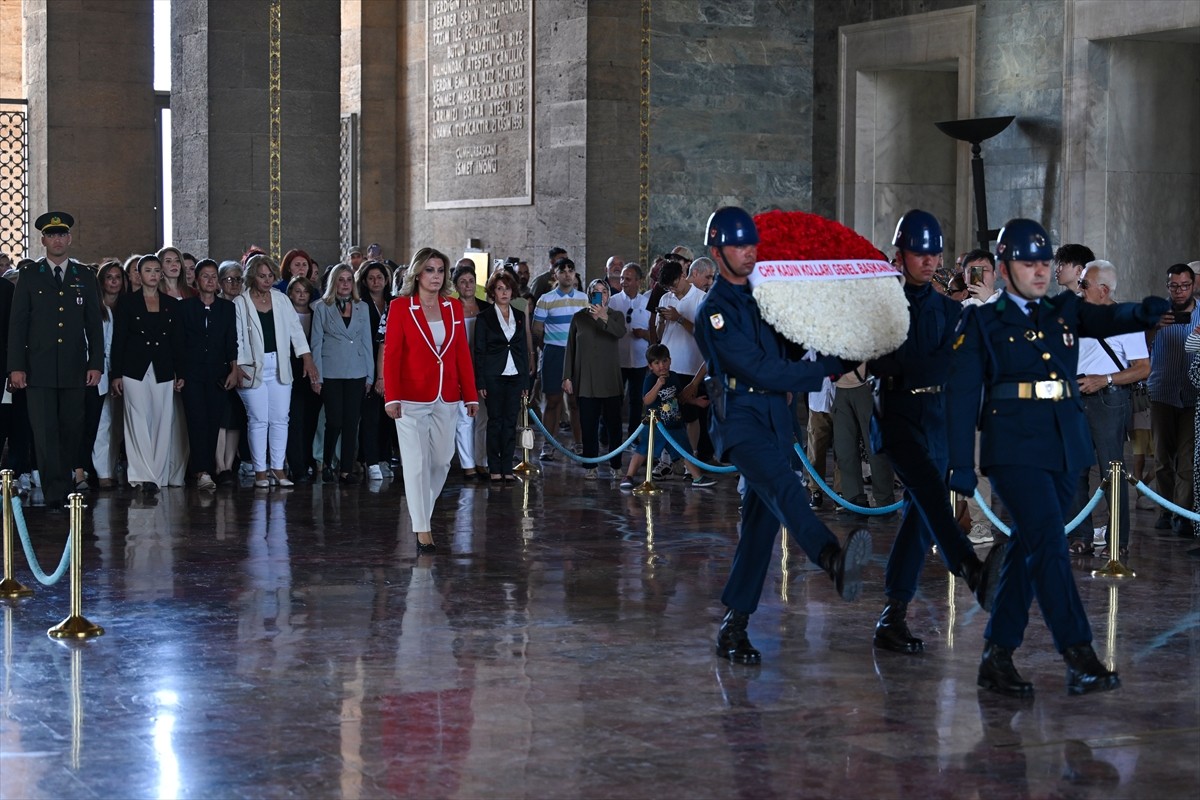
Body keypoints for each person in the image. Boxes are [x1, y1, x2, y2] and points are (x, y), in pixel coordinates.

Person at [946, 218, 1168, 697]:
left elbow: (1107, 318)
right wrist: (961, 463)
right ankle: (1079, 654)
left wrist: (1143, 311)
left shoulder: (1066, 309)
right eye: (1029, 263)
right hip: (1014, 448)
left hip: (1066, 444)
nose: (1041, 271)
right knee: (1048, 545)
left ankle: (996, 655)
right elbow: (962, 397)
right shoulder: (982, 320)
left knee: (1029, 550)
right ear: (1005, 268)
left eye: (1045, 261)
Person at [693, 206, 872, 664]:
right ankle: (831, 557)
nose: (749, 252)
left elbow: (791, 342)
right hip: (743, 419)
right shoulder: (713, 312)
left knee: (760, 525)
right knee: (784, 487)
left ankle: (733, 625)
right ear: (716, 252)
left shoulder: (765, 297)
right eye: (738, 246)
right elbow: (758, 367)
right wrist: (826, 370)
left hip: (775, 417)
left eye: (752, 244)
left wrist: (834, 333)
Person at [866, 209, 1003, 655]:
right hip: (898, 415)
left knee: (920, 516)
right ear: (899, 255)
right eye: (918, 252)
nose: (928, 260)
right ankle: (968, 566)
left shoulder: (950, 309)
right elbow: (882, 364)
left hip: (937, 417)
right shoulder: (883, 304)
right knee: (926, 491)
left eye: (934, 252)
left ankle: (893, 615)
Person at [383, 247, 479, 555]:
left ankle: (420, 508)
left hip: (447, 394)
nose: (436, 276)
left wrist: (471, 394)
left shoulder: (452, 307)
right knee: (415, 464)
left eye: (440, 271)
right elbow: (392, 355)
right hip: (410, 396)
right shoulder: (400, 307)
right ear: (417, 273)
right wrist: (391, 396)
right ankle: (422, 528)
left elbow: (461, 353)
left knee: (440, 460)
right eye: (429, 270)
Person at [6, 212, 103, 511]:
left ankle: (67, 483)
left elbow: (94, 326)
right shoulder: (31, 276)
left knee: (72, 429)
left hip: (75, 369)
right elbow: (18, 324)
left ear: (69, 239)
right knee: (45, 432)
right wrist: (16, 366)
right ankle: (54, 492)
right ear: (43, 240)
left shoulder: (84, 276)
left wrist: (95, 363)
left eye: (62, 235)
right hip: (39, 369)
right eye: (51, 235)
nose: (57, 240)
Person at [1068, 261, 1149, 558]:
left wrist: (1105, 379)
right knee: (1074, 470)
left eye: (1083, 285)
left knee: (1112, 470)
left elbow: (1143, 369)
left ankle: (1118, 540)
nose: (1078, 289)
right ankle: (1081, 536)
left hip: (1109, 399)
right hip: (1075, 398)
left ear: (1103, 290)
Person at [234, 254, 319, 489]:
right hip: (252, 367)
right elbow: (238, 338)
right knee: (259, 420)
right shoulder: (240, 303)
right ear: (252, 277)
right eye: (262, 276)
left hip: (279, 365)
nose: (267, 280)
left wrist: (307, 358)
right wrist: (239, 365)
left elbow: (295, 330)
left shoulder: (281, 299)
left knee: (281, 419)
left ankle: (278, 468)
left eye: (270, 275)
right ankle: (260, 471)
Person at [110, 254, 186, 493]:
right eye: (148, 270)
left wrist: (179, 371)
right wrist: (116, 374)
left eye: (156, 270)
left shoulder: (172, 304)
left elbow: (177, 342)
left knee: (163, 419)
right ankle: (141, 475)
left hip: (163, 367)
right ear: (139, 275)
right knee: (137, 418)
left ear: (161, 274)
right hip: (134, 367)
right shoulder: (127, 303)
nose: (153, 274)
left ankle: (158, 474)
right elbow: (118, 339)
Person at [619, 344, 716, 489]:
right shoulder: (651, 380)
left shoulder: (674, 377)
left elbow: (679, 396)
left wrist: (695, 401)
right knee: (643, 450)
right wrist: (658, 385)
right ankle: (629, 476)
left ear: (670, 360)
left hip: (674, 424)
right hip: (655, 425)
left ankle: (697, 478)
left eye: (664, 361)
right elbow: (646, 400)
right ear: (650, 366)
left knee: (684, 450)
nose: (662, 366)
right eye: (657, 363)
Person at [179, 259, 239, 491]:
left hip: (218, 372)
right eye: (205, 276)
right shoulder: (185, 308)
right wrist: (179, 373)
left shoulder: (227, 308)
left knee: (214, 421)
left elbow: (231, 341)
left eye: (214, 276)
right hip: (192, 373)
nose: (210, 280)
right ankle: (201, 471)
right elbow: (180, 343)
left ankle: (212, 468)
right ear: (196, 279)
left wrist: (233, 369)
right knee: (196, 421)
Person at [310, 263, 374, 484]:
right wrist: (316, 376)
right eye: (341, 279)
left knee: (351, 422)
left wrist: (370, 376)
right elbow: (316, 344)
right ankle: (327, 463)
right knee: (334, 420)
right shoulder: (321, 307)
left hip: (357, 371)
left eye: (349, 280)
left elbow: (367, 342)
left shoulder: (362, 307)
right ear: (334, 282)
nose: (345, 284)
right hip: (331, 372)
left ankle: (347, 469)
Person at [1147, 263, 1196, 534]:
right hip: (1162, 393)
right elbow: (1137, 348)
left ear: (1193, 285)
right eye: (1174, 286)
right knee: (1163, 459)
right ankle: (1165, 510)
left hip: (1192, 394)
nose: (1179, 291)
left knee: (1187, 460)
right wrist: (1153, 327)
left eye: (1185, 286)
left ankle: (1184, 515)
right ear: (1167, 286)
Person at [562, 278, 627, 479]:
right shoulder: (579, 318)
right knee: (588, 425)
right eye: (596, 291)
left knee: (614, 427)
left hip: (610, 380)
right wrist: (567, 376)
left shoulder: (616, 316)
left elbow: (620, 332)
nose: (601, 294)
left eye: (604, 291)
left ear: (608, 295)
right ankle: (590, 465)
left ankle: (616, 465)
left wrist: (603, 317)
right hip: (586, 380)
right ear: (590, 295)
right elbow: (570, 348)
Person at [473, 269, 533, 481]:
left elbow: (522, 350)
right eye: (499, 289)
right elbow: (479, 352)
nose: (504, 293)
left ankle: (507, 467)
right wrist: (480, 380)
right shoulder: (484, 317)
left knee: (510, 422)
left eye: (507, 288)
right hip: (493, 375)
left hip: (515, 374)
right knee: (495, 422)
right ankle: (494, 467)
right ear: (493, 292)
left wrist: (526, 379)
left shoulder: (518, 315)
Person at [532, 257, 588, 459]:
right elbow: (537, 329)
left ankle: (580, 443)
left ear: (574, 274)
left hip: (577, 353)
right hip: (554, 352)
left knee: (576, 401)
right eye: (562, 270)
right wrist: (549, 345)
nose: (566, 274)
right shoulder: (545, 299)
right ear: (555, 274)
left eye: (570, 270)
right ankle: (549, 444)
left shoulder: (583, 299)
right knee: (553, 399)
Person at [86, 261, 126, 489]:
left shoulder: (121, 308)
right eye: (108, 277)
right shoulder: (98, 309)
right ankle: (102, 472)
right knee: (102, 423)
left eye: (117, 277)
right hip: (99, 374)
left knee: (117, 426)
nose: (113, 282)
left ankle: (111, 468)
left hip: (117, 374)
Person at [452, 261, 490, 479]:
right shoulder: (450, 307)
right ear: (456, 285)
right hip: (459, 368)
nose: (467, 285)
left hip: (482, 368)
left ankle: (481, 460)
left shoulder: (485, 308)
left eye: (471, 281)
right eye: (463, 282)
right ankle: (468, 465)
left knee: (483, 417)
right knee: (464, 417)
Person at [608, 263, 653, 437]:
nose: (624, 282)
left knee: (636, 400)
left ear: (638, 281)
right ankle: (611, 433)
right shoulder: (613, 302)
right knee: (614, 399)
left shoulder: (646, 303)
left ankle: (634, 435)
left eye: (628, 279)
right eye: (622, 278)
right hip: (618, 360)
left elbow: (654, 333)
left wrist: (644, 334)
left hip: (640, 360)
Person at [285, 277, 321, 481]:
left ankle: (308, 460)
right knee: (295, 419)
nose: (301, 295)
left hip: (313, 372)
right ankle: (296, 465)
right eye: (297, 291)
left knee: (311, 419)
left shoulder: (317, 315)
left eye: (305, 291)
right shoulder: (285, 315)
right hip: (291, 370)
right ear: (290, 294)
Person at [215, 260, 248, 484]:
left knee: (236, 418)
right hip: (220, 366)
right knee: (220, 417)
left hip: (243, 368)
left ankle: (230, 464)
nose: (234, 283)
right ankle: (220, 465)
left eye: (238, 279)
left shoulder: (246, 304)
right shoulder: (216, 305)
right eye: (229, 279)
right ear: (220, 282)